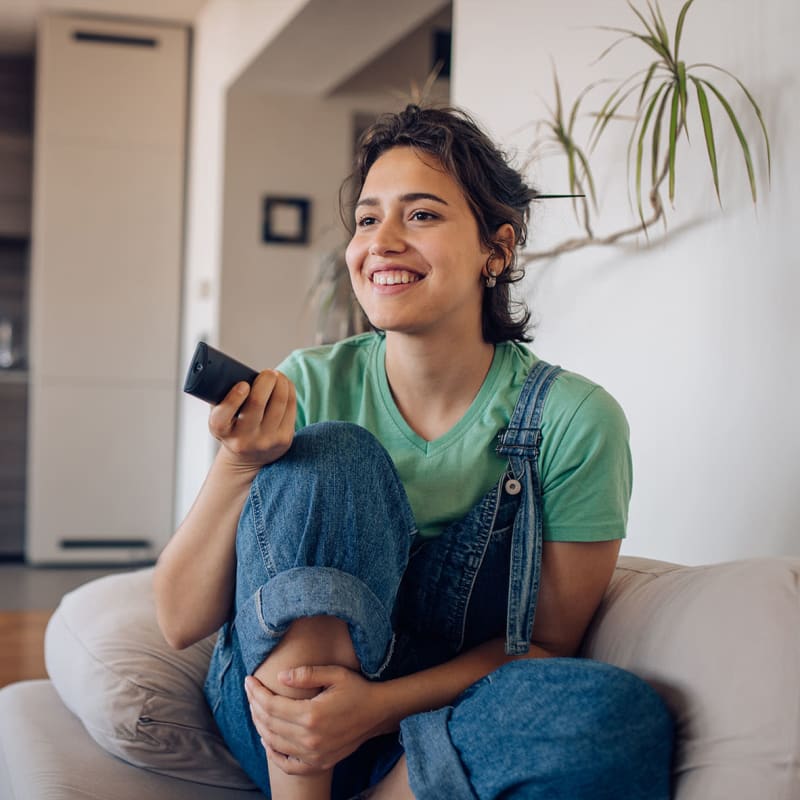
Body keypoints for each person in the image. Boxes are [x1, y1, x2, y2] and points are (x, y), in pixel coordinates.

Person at [153, 105, 674, 800]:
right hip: (279, 732)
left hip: (439, 720)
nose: (383, 241)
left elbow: (542, 646)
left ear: (499, 249)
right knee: (336, 455)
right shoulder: (309, 383)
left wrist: (374, 709)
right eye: (368, 220)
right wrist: (238, 463)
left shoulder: (574, 420)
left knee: (619, 716)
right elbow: (179, 619)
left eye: (422, 215)